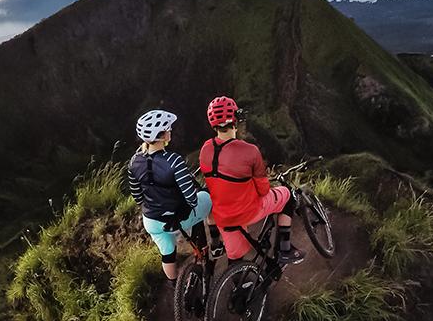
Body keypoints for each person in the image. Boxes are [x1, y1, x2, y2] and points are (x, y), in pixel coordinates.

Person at [199, 96, 304, 266]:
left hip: (223, 215)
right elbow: (263, 190)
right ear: (235, 119)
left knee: (235, 261)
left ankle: (236, 279)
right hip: (248, 211)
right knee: (287, 196)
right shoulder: (250, 150)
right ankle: (284, 249)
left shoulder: (205, 149)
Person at [128, 109, 212, 287]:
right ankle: (216, 241)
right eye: (168, 128)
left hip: (152, 221)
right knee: (207, 196)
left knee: (167, 252)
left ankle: (175, 287)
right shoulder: (174, 161)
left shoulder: (134, 162)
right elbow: (192, 199)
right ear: (162, 135)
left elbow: (137, 196)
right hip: (178, 219)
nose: (170, 130)